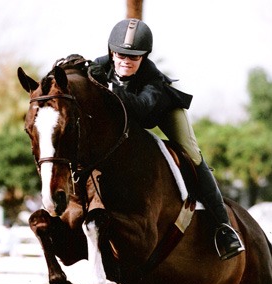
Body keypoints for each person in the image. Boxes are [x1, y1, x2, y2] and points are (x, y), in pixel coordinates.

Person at [92, 18, 244, 261]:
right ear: (111, 52)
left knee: (192, 154)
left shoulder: (152, 77)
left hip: (161, 111)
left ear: (144, 57)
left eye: (134, 57)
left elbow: (141, 110)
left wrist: (111, 88)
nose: (126, 61)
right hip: (130, 112)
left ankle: (224, 227)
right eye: (120, 55)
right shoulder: (100, 66)